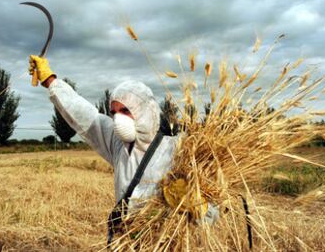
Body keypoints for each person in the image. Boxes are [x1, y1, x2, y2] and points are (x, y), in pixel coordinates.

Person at [28, 55, 219, 238]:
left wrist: (197, 205)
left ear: (146, 110)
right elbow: (86, 116)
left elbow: (215, 214)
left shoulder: (180, 149)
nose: (118, 118)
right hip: (125, 240)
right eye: (114, 112)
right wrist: (51, 82)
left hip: (163, 243)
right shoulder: (117, 143)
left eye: (126, 110)